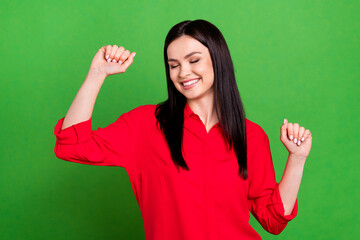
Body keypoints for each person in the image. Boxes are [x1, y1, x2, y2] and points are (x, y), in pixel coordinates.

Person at [54, 19, 312, 240]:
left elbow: (273, 220)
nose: (183, 72)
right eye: (174, 64)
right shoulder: (145, 124)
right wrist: (96, 74)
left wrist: (297, 159)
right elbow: (71, 145)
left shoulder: (251, 136)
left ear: (218, 60)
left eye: (194, 60)